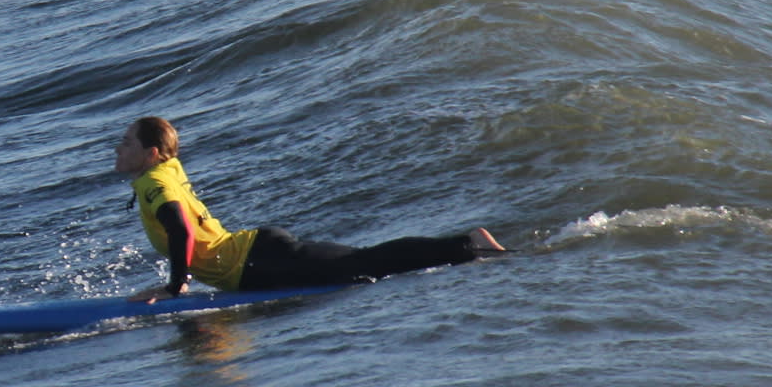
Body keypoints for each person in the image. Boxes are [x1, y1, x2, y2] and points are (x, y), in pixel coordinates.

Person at [113, 115, 503, 301]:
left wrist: (175, 286)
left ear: (149, 153)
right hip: (259, 254)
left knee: (366, 266)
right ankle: (463, 247)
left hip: (256, 262)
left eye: (126, 142)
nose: (118, 147)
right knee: (362, 264)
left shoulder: (153, 182)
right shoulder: (166, 169)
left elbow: (180, 228)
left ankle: (467, 246)